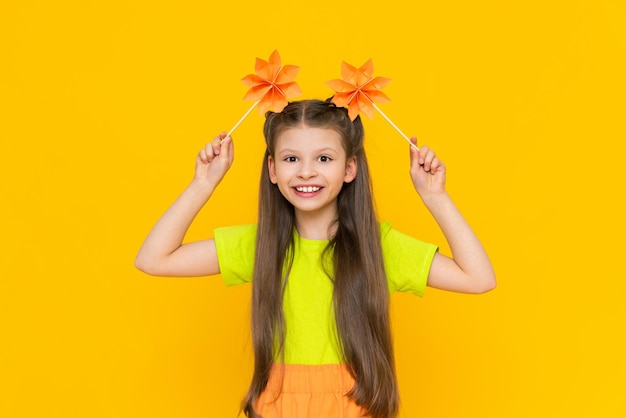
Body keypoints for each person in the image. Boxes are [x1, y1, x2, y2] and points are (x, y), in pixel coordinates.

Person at [135, 99, 496, 418]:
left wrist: (435, 197)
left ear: (350, 168)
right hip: (276, 406)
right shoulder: (261, 245)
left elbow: (478, 278)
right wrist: (203, 184)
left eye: (324, 158)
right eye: (292, 159)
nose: (306, 171)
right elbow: (154, 259)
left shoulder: (379, 247)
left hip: (358, 405)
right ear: (273, 170)